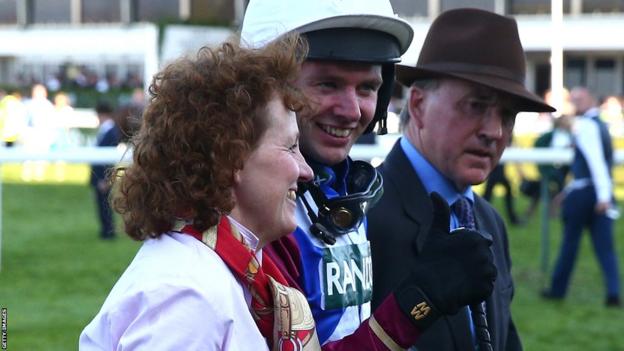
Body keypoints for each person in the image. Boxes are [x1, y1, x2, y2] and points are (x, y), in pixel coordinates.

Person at [242, 1, 497, 349]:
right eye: (327, 84)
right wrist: (413, 306)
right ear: (263, 87)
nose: (352, 111)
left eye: (367, 88)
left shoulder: (343, 193)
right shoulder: (244, 216)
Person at [80, 36, 322, 349]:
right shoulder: (187, 295)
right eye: (290, 146)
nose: (306, 170)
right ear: (232, 158)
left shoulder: (218, 272)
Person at [367, 8, 556, 350]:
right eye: (475, 106)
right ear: (420, 105)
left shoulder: (488, 221)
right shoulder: (367, 219)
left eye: (507, 115)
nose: (495, 131)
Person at [542, 86, 621, 307]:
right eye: (573, 99)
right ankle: (613, 293)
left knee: (570, 244)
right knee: (605, 247)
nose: (575, 103)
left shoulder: (586, 125)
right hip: (597, 191)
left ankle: (558, 290)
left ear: (590, 100)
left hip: (588, 193)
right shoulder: (601, 124)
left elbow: (596, 162)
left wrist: (603, 196)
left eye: (579, 99)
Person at [90, 100, 121, 240]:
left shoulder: (111, 132)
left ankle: (108, 231)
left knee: (105, 205)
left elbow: (109, 159)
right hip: (99, 175)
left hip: (103, 175)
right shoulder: (106, 131)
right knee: (101, 204)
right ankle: (106, 229)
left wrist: (106, 178)